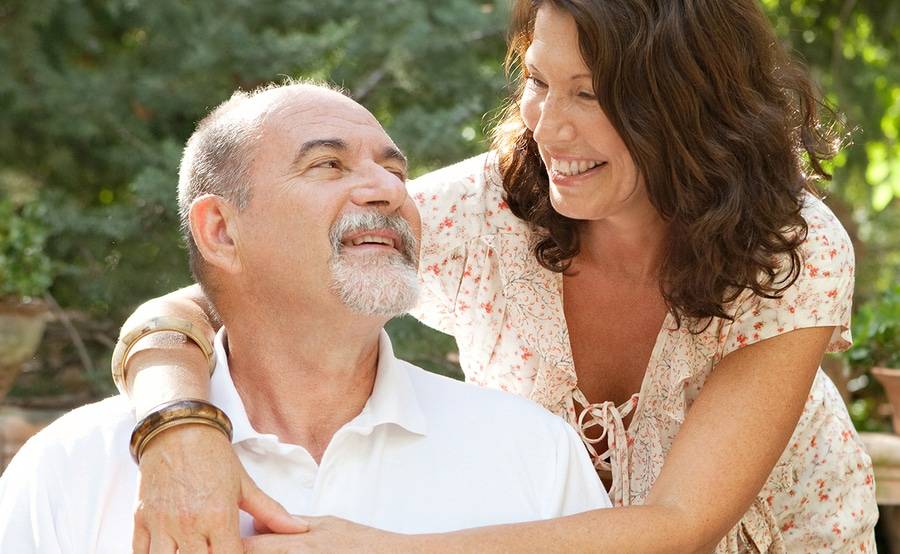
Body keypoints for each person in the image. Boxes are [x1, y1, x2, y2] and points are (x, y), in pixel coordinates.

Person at [112, 0, 878, 552]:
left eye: (590, 93)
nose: (549, 126)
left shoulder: (789, 246)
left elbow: (680, 525)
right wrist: (177, 428)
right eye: (540, 83)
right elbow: (218, 290)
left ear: (690, 106)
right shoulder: (491, 210)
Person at [0, 81, 612, 553]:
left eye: (395, 171)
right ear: (221, 231)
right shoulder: (72, 470)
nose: (390, 190)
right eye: (328, 165)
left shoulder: (530, 452)